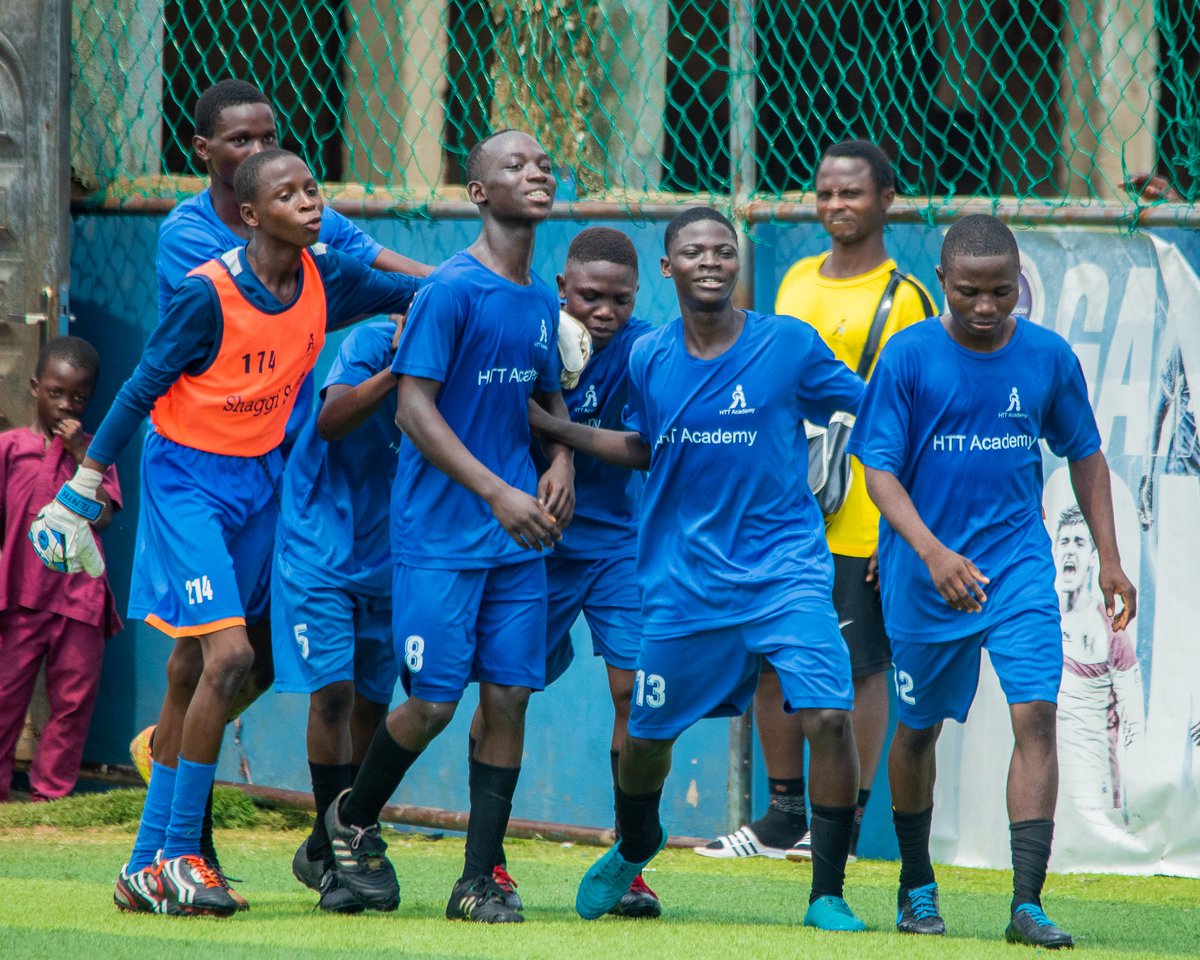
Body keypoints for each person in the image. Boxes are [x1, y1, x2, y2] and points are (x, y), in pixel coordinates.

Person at [30, 148, 421, 917]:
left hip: (260, 483)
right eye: (290, 194)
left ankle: (143, 867)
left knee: (186, 670)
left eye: (313, 189)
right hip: (188, 484)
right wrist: (81, 488)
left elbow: (424, 290)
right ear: (250, 216)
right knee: (231, 656)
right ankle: (182, 854)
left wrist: (537, 317)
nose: (311, 203)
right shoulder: (205, 296)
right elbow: (143, 385)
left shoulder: (328, 278)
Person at [128, 77, 432, 889]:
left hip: (284, 469)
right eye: (240, 142)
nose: (260, 152)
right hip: (202, 465)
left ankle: (174, 799)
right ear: (205, 153)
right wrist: (87, 477)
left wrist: (456, 290)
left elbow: (372, 261)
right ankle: (176, 843)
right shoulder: (191, 240)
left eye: (269, 137)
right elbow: (252, 308)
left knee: (251, 656)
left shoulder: (295, 203)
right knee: (208, 658)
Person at [531, 206, 870, 931]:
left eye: (724, 249)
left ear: (738, 263)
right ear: (669, 267)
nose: (711, 260)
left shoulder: (788, 345)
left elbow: (869, 409)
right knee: (647, 740)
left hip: (785, 570)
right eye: (694, 250)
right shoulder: (652, 357)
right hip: (685, 581)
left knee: (830, 716)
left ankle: (827, 893)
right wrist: (559, 432)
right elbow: (648, 447)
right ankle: (636, 842)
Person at [847, 213, 1137, 946]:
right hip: (925, 577)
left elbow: (1086, 455)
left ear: (1020, 288)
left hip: (1016, 569)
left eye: (1001, 292)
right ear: (943, 282)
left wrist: (1109, 557)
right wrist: (931, 552)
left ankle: (1026, 905)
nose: (984, 308)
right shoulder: (909, 358)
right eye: (969, 291)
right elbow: (877, 469)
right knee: (917, 732)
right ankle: (917, 888)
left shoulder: (1046, 357)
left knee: (1036, 717)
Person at [322, 129, 574, 925]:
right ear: (477, 192)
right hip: (441, 536)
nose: (535, 173)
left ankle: (478, 880)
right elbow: (414, 408)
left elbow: (541, 396)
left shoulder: (540, 298)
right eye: (515, 166)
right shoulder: (451, 290)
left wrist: (559, 455)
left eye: (542, 165)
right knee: (431, 704)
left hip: (515, 542)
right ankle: (349, 822)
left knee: (509, 699)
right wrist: (500, 492)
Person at [697, 139, 934, 863]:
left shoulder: (908, 296)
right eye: (825, 193)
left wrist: (898, 534)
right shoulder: (796, 279)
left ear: (887, 199)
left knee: (858, 667)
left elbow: (920, 416)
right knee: (773, 659)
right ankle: (781, 817)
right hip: (785, 514)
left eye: (852, 193)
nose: (836, 206)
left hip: (865, 518)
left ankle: (846, 824)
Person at [479, 226, 659, 916]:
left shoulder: (646, 350)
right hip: (535, 542)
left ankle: (629, 857)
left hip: (620, 548)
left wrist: (559, 439)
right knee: (507, 695)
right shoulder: (529, 334)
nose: (604, 311)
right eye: (589, 297)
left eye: (619, 298)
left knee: (635, 696)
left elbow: (644, 448)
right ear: (563, 289)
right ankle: (488, 861)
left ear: (637, 295)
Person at [273, 320, 405, 912]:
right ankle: (331, 856)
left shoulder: (472, 353)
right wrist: (402, 366)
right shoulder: (373, 343)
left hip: (396, 551)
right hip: (321, 543)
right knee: (333, 694)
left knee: (375, 702)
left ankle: (336, 835)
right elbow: (331, 420)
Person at [0, 338, 122, 803]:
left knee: (72, 704)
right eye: (56, 392)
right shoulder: (10, 449)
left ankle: (50, 798)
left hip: (79, 604)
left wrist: (78, 456)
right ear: (35, 388)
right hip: (19, 598)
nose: (66, 405)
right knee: (5, 696)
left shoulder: (96, 454)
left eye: (79, 397)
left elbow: (104, 517)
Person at [1052, 504, 1144, 815]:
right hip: (1042, 782)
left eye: (1079, 543)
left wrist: (1133, 802)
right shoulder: (1036, 622)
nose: (1069, 551)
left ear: (1092, 558)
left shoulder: (1111, 632)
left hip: (1096, 794)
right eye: (1063, 542)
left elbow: (1133, 724)